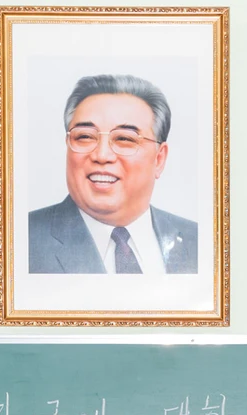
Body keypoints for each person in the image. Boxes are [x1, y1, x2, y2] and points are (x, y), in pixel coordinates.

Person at [28, 73, 198, 275]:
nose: (102, 155)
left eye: (125, 139)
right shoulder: (22, 240)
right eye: (84, 136)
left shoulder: (197, 241)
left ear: (159, 159)